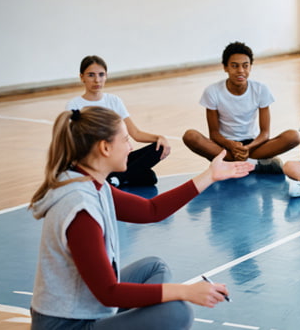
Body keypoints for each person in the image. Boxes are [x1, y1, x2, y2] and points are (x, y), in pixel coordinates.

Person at [29, 106, 254, 329]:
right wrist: (186, 291)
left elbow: (151, 210)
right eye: (126, 140)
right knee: (176, 312)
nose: (131, 147)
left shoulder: (91, 183)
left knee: (154, 267)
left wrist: (210, 176)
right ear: (105, 148)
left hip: (88, 307)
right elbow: (108, 293)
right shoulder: (80, 208)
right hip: (67, 325)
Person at [182, 41, 300, 173]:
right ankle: (254, 164)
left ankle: (231, 163)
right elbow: (214, 134)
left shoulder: (260, 89)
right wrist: (230, 145)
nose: (241, 71)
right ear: (225, 67)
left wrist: (248, 148)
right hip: (225, 146)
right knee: (190, 136)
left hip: (253, 145)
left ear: (250, 67)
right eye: (234, 66)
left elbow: (265, 133)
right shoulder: (212, 91)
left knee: (293, 136)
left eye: (245, 66)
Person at [66, 55, 170, 187]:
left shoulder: (114, 100)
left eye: (101, 75)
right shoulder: (74, 104)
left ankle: (116, 179)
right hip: (95, 160)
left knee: (157, 155)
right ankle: (118, 178)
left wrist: (160, 137)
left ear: (106, 76)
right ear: (82, 77)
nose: (97, 80)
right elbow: (73, 142)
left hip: (116, 158)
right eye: (91, 75)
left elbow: (136, 133)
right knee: (147, 176)